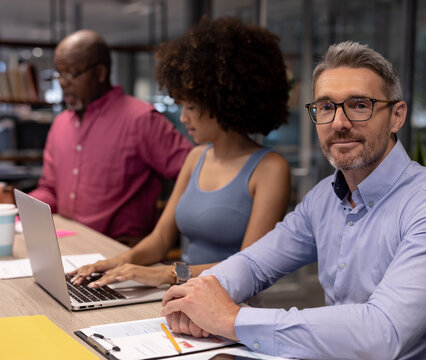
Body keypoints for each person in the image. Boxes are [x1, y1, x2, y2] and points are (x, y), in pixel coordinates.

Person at [159, 41, 426, 359]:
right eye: (326, 107)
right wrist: (200, 294)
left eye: (359, 105)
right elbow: (255, 263)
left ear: (396, 116)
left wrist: (231, 320)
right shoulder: (323, 199)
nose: (339, 124)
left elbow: (382, 334)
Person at [69, 17, 291, 287]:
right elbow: (160, 240)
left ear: (224, 103)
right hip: (181, 297)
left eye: (192, 108)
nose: (183, 118)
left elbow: (251, 266)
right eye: (181, 105)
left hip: (235, 306)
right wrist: (119, 262)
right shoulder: (196, 157)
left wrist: (169, 274)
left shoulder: (270, 169)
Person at [27, 29, 193, 245]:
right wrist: (17, 205)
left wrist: (163, 234)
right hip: (68, 247)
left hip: (122, 253)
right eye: (59, 74)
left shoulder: (141, 119)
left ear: (101, 73)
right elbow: (50, 190)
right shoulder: (60, 124)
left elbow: (194, 174)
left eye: (72, 74)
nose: (63, 83)